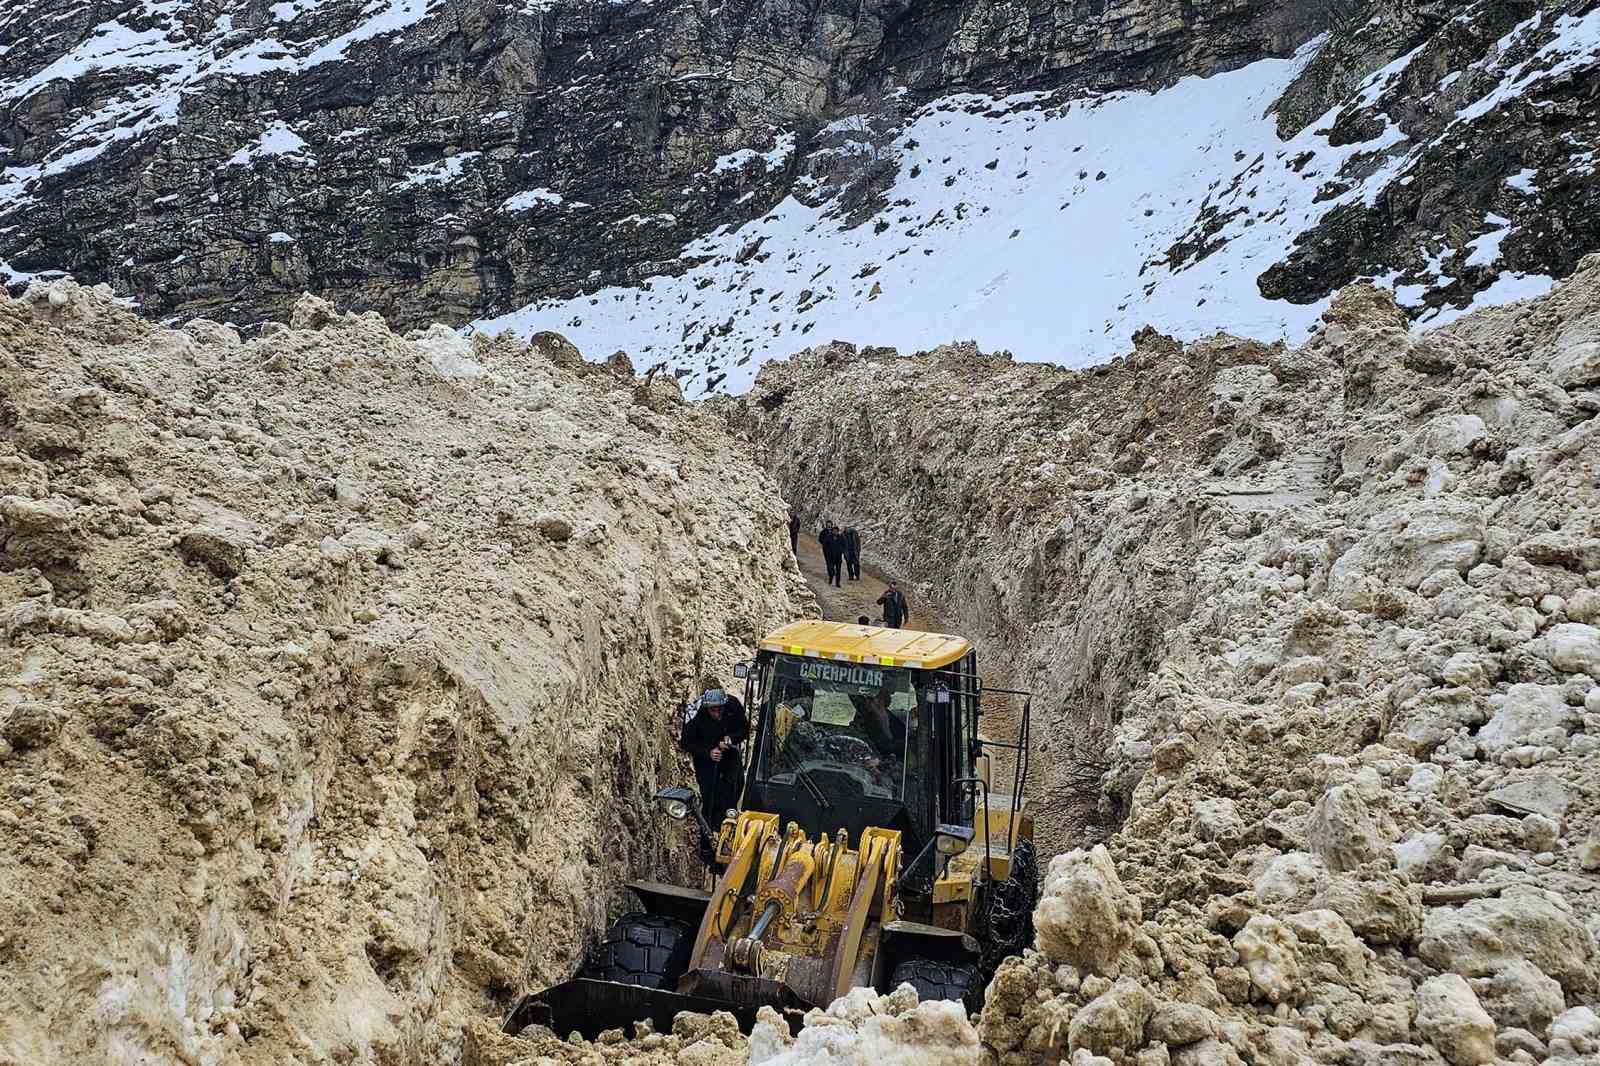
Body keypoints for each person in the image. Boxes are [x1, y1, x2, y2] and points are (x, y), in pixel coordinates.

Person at [680, 685, 749, 831]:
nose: (717, 714)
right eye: (713, 710)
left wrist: (731, 739)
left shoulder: (733, 706)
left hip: (729, 754)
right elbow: (686, 743)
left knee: (733, 789)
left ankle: (727, 825)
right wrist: (708, 752)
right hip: (705, 761)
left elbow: (744, 729)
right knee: (710, 798)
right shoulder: (695, 714)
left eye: (720, 709)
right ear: (706, 708)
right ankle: (708, 836)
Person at [819, 521, 845, 587]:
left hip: (838, 557)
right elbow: (824, 544)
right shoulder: (828, 537)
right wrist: (827, 551)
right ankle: (831, 578)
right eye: (834, 531)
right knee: (831, 568)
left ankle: (837, 582)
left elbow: (844, 545)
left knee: (838, 570)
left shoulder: (841, 537)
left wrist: (841, 551)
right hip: (830, 556)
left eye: (836, 531)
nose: (835, 532)